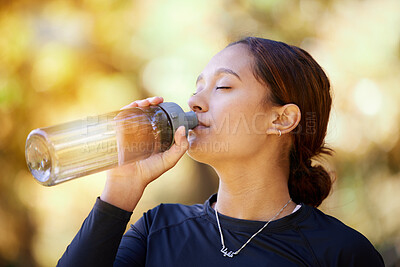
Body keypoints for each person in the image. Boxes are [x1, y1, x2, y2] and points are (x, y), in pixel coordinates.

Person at [57, 37, 384, 266]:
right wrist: (122, 186)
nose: (194, 102)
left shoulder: (341, 253)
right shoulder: (158, 229)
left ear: (281, 119)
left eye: (223, 86)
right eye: (197, 87)